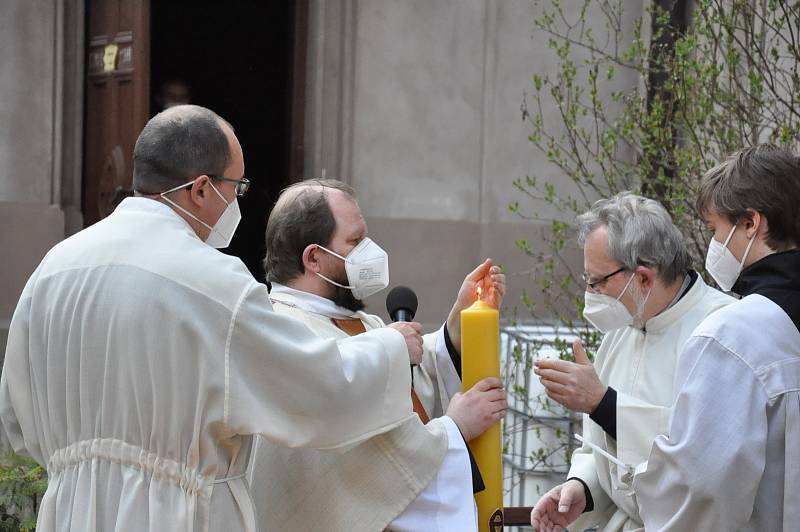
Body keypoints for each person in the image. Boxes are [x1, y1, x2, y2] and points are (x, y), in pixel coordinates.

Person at [0, 105, 427, 532]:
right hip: (175, 516)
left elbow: (16, 420)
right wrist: (390, 348)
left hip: (70, 512)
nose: (237, 202)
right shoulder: (210, 281)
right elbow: (313, 385)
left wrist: (87, 462)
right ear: (201, 189)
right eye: (236, 187)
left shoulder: (53, 269)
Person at [247, 179, 508, 531]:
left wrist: (459, 321)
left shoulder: (360, 322)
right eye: (354, 242)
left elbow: (410, 390)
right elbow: (359, 460)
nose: (369, 250)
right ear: (314, 258)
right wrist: (455, 429)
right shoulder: (284, 334)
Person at [530, 192, 733, 532]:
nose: (590, 293)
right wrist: (582, 488)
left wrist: (602, 403)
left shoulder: (722, 332)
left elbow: (702, 458)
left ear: (643, 278)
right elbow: (602, 450)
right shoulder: (622, 328)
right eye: (587, 280)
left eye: (598, 281)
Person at [632, 144, 800, 531]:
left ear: (750, 223)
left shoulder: (733, 336)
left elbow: (701, 490)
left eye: (715, 229)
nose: (713, 244)